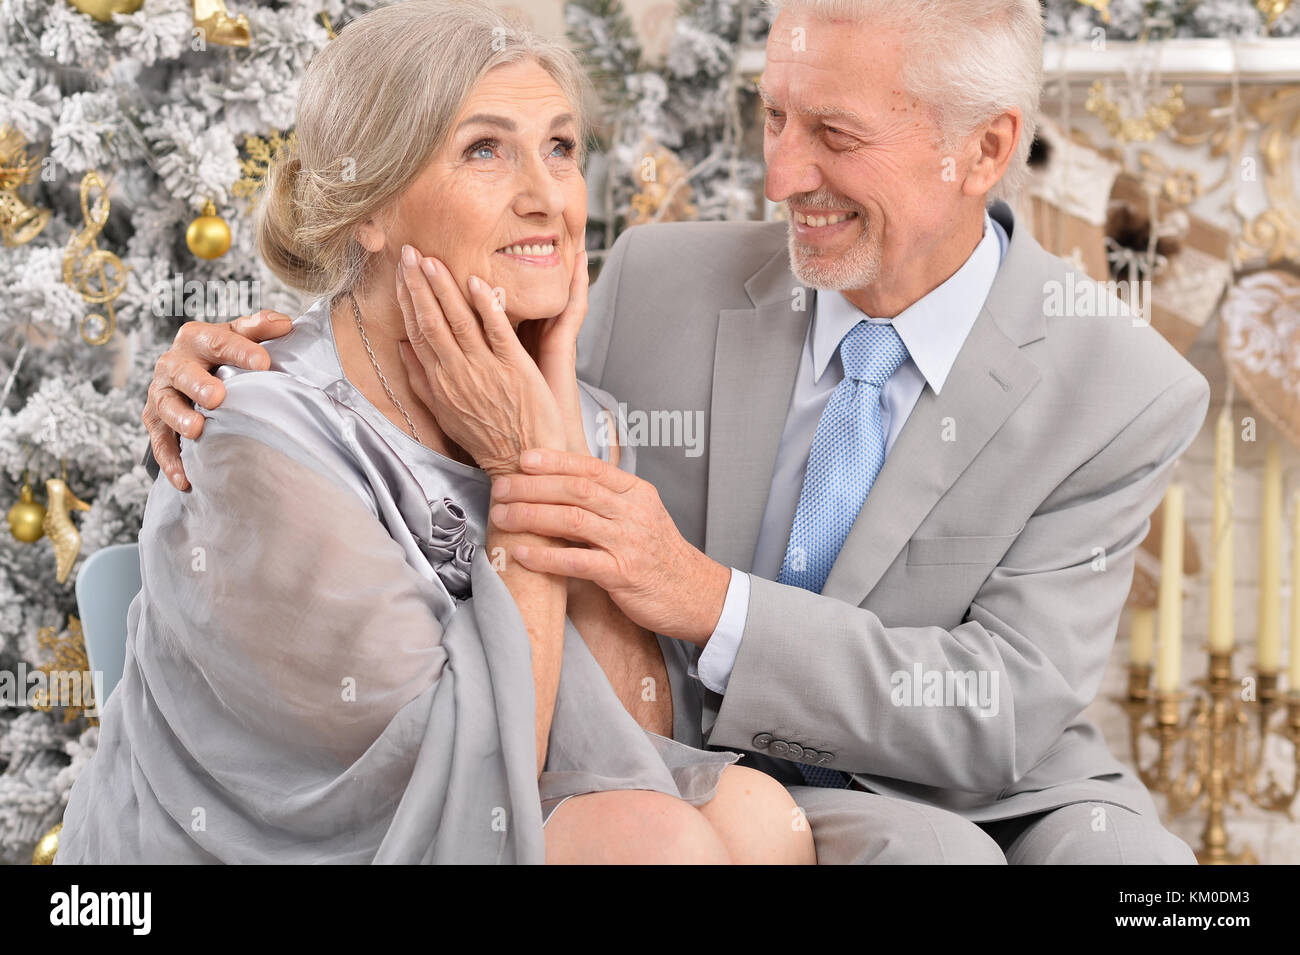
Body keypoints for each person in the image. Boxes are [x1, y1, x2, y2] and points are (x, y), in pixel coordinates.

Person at [142, 0, 1207, 863]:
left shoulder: (1121, 386)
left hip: (983, 778)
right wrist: (215, 366)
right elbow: (420, 382)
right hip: (677, 774)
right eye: (774, 117)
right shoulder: (653, 281)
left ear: (982, 152)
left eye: (834, 134)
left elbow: (997, 708)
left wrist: (701, 595)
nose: (781, 176)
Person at [59, 0, 815, 865]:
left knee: (757, 814)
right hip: (340, 839)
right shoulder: (260, 433)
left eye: (561, 148)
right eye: (485, 149)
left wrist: (553, 441)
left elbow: (636, 736)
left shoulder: (584, 419)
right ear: (369, 207)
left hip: (492, 794)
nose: (546, 198)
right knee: (658, 842)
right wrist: (521, 472)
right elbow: (445, 779)